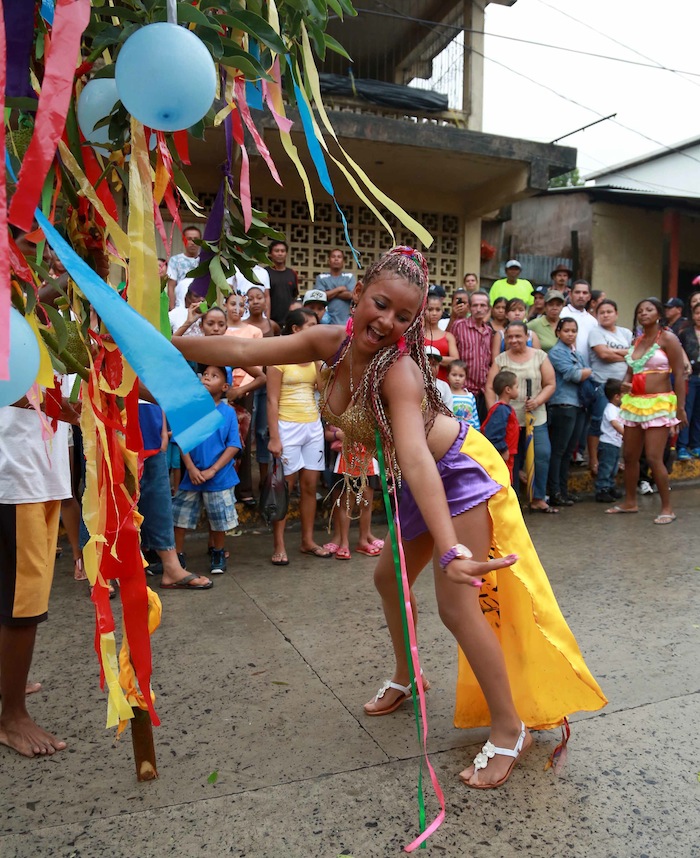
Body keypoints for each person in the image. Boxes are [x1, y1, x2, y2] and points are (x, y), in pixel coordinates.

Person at [174, 247, 606, 787]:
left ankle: (508, 727)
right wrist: (170, 345)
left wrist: (451, 550)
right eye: (380, 305)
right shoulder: (327, 342)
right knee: (388, 578)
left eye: (404, 316)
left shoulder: (398, 371)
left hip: (456, 475)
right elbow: (241, 345)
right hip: (421, 479)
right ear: (357, 296)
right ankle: (409, 677)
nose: (389, 322)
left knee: (456, 606)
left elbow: (420, 458)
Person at [0, 384, 79, 757]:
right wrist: (57, 404)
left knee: (19, 590)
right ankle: (12, 716)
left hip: (40, 466)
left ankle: (7, 683)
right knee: (23, 600)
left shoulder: (56, 322)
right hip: (16, 470)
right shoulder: (12, 322)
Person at [606, 298, 686, 524]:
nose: (643, 313)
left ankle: (667, 508)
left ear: (659, 314)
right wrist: (624, 385)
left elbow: (679, 374)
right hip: (635, 403)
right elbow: (630, 374)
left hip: (658, 404)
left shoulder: (668, 338)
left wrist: (680, 407)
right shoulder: (637, 340)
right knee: (630, 456)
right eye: (640, 310)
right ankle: (630, 502)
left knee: (653, 457)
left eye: (649, 310)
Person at [267, 308, 330, 564]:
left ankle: (307, 540)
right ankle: (279, 544)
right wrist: (274, 437)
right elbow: (271, 400)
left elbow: (323, 390)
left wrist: (317, 360)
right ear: (295, 330)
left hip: (312, 427)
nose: (316, 329)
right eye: (310, 326)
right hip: (287, 427)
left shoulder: (314, 359)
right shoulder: (278, 358)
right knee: (285, 487)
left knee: (310, 486)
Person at [172, 366, 241, 573]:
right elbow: (183, 439)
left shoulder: (228, 413)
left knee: (219, 519)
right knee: (180, 517)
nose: (207, 378)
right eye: (205, 375)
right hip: (191, 476)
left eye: (214, 376)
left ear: (225, 386)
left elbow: (233, 445)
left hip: (220, 476)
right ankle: (177, 555)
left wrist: (213, 470)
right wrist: (191, 468)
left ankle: (218, 552)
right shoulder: (192, 409)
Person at [138, 401, 213, 589]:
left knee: (159, 498)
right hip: (110, 409)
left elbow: (157, 381)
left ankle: (171, 566)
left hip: (150, 416)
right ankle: (101, 571)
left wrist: (163, 425)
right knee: (107, 496)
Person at [485, 322, 558, 513]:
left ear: (527, 336)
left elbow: (550, 383)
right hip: (509, 420)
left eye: (518, 336)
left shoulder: (540, 356)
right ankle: (511, 501)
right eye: (510, 337)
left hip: (536, 416)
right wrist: (496, 411)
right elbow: (490, 387)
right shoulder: (501, 359)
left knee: (542, 455)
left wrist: (537, 400)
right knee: (511, 460)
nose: (514, 340)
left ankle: (538, 498)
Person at [224, 293, 266, 507]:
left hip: (246, 389)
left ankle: (244, 488)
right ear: (225, 305)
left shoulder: (254, 331)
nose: (237, 308)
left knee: (243, 439)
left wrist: (242, 389)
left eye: (242, 304)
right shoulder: (219, 329)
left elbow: (257, 365)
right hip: (221, 388)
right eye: (233, 304)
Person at [547, 319, 592, 506]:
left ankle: (564, 491)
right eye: (566, 330)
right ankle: (555, 492)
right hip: (562, 404)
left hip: (577, 404)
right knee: (558, 451)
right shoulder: (556, 352)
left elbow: (579, 373)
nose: (570, 334)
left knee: (567, 453)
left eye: (574, 331)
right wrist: (588, 371)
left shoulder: (575, 353)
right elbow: (573, 375)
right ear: (558, 332)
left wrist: (584, 371)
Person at [323, 425, 384, 561]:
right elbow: (328, 432)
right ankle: (344, 542)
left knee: (366, 503)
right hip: (346, 458)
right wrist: (338, 434)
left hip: (367, 457)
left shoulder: (370, 408)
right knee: (345, 504)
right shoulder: (339, 410)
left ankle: (363, 540)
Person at [586, 299, 633, 474]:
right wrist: (626, 354)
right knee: (598, 422)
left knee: (623, 423)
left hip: (623, 387)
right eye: (602, 312)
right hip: (603, 384)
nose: (605, 315)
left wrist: (624, 354)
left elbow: (635, 355)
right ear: (597, 316)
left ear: (617, 314)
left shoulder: (626, 333)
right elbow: (603, 354)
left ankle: (616, 460)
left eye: (609, 311)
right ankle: (594, 460)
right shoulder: (595, 332)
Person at [246, 285, 281, 490]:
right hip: (248, 383)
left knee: (262, 431)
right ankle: (245, 483)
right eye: (251, 298)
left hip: (268, 383)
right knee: (246, 431)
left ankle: (264, 479)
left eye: (259, 297)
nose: (256, 301)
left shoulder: (273, 326)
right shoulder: (242, 326)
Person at [451, 291, 494, 420]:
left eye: (482, 305)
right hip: (463, 391)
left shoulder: (489, 331)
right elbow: (451, 353)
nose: (479, 309)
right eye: (475, 305)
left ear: (488, 308)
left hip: (484, 392)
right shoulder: (459, 326)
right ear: (469, 307)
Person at [481, 369, 520, 481]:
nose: (518, 390)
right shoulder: (501, 410)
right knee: (502, 482)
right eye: (516, 387)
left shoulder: (505, 409)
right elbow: (493, 433)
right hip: (502, 456)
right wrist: (503, 449)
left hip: (508, 455)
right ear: (508, 389)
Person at [594, 379, 624, 503]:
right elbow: (615, 424)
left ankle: (610, 486)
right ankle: (602, 489)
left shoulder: (617, 409)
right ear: (617, 396)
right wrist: (625, 434)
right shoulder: (610, 408)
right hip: (608, 443)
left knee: (613, 467)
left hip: (615, 443)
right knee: (606, 467)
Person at [677, 301, 700, 460]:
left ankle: (696, 444)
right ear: (692, 315)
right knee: (687, 411)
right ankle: (682, 446)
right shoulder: (685, 333)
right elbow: (678, 352)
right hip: (689, 378)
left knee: (699, 413)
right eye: (697, 313)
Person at [314, 248, 356, 326]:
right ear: (329, 260)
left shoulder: (349, 277)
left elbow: (351, 295)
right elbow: (320, 297)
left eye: (339, 257)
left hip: (345, 322)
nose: (336, 259)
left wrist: (329, 292)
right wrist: (339, 289)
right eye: (333, 257)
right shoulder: (321, 277)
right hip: (325, 322)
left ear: (343, 261)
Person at [423, 292, 458, 382]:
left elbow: (455, 361)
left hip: (444, 386)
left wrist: (432, 359)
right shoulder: (417, 336)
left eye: (438, 310)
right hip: (420, 384)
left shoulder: (448, 337)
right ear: (423, 311)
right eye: (430, 309)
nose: (434, 313)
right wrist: (442, 360)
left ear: (442, 311)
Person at [560, 280, 597, 364]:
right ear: (570, 294)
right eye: (577, 292)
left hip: (587, 368)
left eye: (584, 293)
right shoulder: (561, 314)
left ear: (589, 296)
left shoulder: (593, 321)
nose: (581, 296)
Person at [166, 226, 201, 310]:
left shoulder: (205, 261)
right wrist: (172, 309)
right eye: (189, 239)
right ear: (183, 240)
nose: (192, 242)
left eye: (196, 239)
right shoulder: (175, 260)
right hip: (180, 307)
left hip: (201, 306)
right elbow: (171, 286)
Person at [266, 240, 299, 325]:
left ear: (286, 254)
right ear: (270, 254)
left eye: (283, 251)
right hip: (270, 321)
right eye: (277, 251)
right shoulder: (264, 273)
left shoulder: (292, 273)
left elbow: (294, 296)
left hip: (288, 321)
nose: (280, 254)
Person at [527, 289, 565, 354]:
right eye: (551, 305)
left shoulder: (564, 324)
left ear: (562, 306)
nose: (554, 308)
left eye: (558, 305)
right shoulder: (535, 324)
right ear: (545, 306)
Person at [447, 361, 480, 430]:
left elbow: (475, 416)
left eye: (461, 376)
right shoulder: (446, 395)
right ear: (447, 375)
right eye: (454, 375)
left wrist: (478, 431)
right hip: (453, 432)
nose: (457, 379)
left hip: (470, 432)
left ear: (466, 377)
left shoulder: (470, 396)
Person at [425, 346, 453, 410]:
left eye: (434, 364)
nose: (430, 368)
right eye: (427, 364)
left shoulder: (444, 386)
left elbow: (449, 410)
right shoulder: (415, 385)